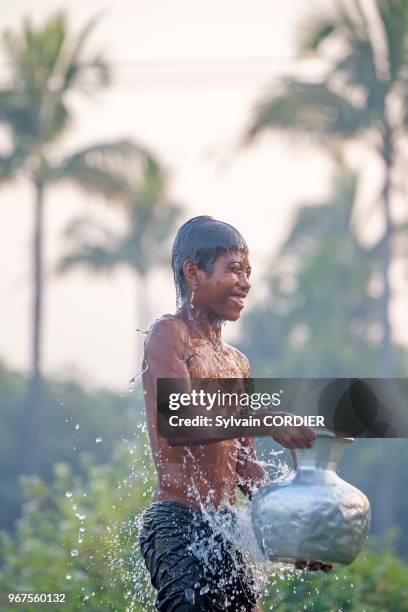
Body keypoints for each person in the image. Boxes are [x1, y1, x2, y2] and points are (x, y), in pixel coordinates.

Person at [140, 216, 330, 612]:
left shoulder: (236, 362)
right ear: (193, 272)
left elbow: (245, 467)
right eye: (234, 270)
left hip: (224, 527)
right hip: (177, 522)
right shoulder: (169, 335)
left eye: (248, 272)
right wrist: (266, 421)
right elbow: (177, 422)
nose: (245, 282)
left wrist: (291, 536)